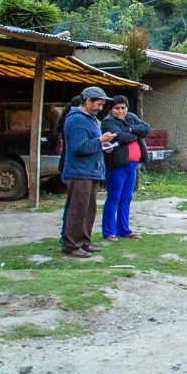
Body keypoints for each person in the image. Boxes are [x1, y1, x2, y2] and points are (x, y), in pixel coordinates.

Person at [60, 86, 114, 258]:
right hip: (79, 172)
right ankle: (70, 245)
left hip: (91, 172)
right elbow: (78, 147)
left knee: (88, 210)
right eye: (98, 104)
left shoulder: (90, 118)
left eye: (102, 104)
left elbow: (90, 143)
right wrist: (100, 140)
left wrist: (103, 145)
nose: (100, 108)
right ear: (87, 101)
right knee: (77, 210)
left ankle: (84, 242)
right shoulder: (77, 120)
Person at [100, 97, 151, 241]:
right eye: (117, 108)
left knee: (126, 198)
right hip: (117, 165)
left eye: (123, 108)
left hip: (132, 165)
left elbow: (145, 129)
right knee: (114, 197)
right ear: (111, 109)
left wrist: (130, 129)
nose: (120, 111)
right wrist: (135, 133)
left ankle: (124, 229)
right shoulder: (108, 122)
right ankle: (109, 231)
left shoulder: (132, 118)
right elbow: (120, 137)